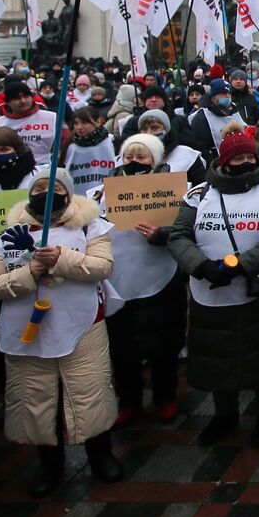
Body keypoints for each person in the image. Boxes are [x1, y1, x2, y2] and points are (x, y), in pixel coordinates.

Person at [0, 167, 125, 496]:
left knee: (90, 391)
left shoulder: (89, 226)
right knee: (37, 398)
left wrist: (62, 259)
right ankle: (49, 461)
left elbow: (103, 266)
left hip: (82, 324)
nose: (47, 193)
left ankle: (100, 453)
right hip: (27, 331)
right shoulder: (10, 234)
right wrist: (30, 271)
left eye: (54, 187)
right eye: (40, 187)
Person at [168, 125, 259, 448]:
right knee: (216, 356)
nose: (247, 162)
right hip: (209, 290)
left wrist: (238, 264)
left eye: (251, 156)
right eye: (239, 157)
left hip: (254, 288)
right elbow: (179, 236)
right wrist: (202, 265)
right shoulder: (198, 196)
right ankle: (224, 415)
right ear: (224, 162)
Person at [99, 134, 187, 428]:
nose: (134, 163)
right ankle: (129, 400)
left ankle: (165, 397)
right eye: (128, 158)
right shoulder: (102, 193)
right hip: (118, 280)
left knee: (164, 343)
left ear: (155, 161)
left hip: (160, 275)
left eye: (142, 157)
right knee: (122, 348)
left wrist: (160, 235)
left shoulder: (171, 190)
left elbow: (186, 232)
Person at [0, 81, 65, 164]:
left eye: (26, 96)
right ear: (8, 102)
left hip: (45, 169)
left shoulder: (51, 118)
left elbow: (64, 144)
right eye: (17, 98)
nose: (23, 101)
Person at [136, 108, 207, 184]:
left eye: (154, 128)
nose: (149, 133)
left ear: (166, 129)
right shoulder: (129, 157)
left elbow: (200, 188)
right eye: (144, 129)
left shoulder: (187, 156)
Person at [187, 79, 243, 161]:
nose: (227, 96)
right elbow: (201, 147)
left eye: (229, 93)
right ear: (213, 97)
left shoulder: (234, 109)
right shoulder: (202, 117)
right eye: (223, 94)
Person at [66, 107, 116, 196]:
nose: (79, 127)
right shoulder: (70, 145)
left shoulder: (112, 141)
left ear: (98, 122)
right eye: (76, 123)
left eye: (84, 123)